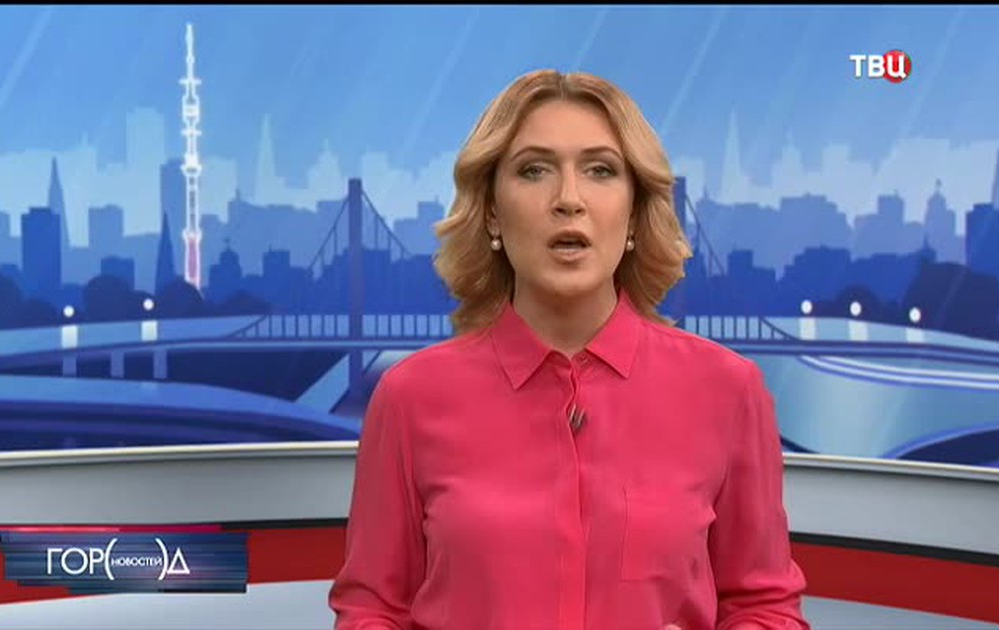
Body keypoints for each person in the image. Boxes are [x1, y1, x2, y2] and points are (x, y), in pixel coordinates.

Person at [329, 69, 809, 630]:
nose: (568, 200)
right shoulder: (410, 397)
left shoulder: (727, 389)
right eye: (534, 170)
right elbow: (372, 611)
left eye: (600, 170)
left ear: (634, 213)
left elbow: (764, 607)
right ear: (492, 213)